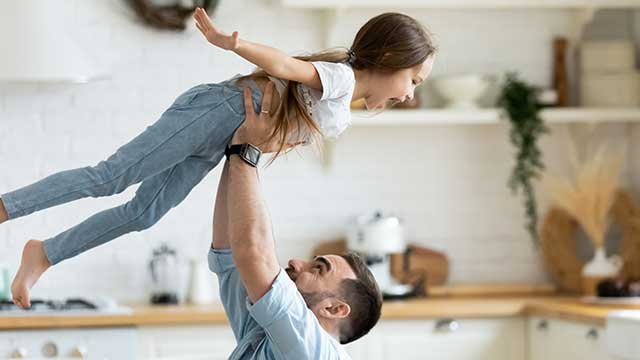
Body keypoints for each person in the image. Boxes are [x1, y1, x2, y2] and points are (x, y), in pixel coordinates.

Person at [0, 8, 436, 308]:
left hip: (225, 134)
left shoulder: (341, 110)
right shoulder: (340, 78)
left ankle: (45, 253)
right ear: (391, 59)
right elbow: (285, 65)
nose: (410, 93)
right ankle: (7, 207)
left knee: (144, 213)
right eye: (412, 79)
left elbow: (272, 134)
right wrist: (234, 44)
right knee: (110, 177)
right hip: (219, 109)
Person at [210, 77, 382, 359]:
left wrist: (246, 150)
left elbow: (253, 254)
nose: (295, 262)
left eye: (318, 269)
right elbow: (228, 253)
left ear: (333, 309)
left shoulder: (314, 350)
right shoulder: (269, 332)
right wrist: (236, 147)